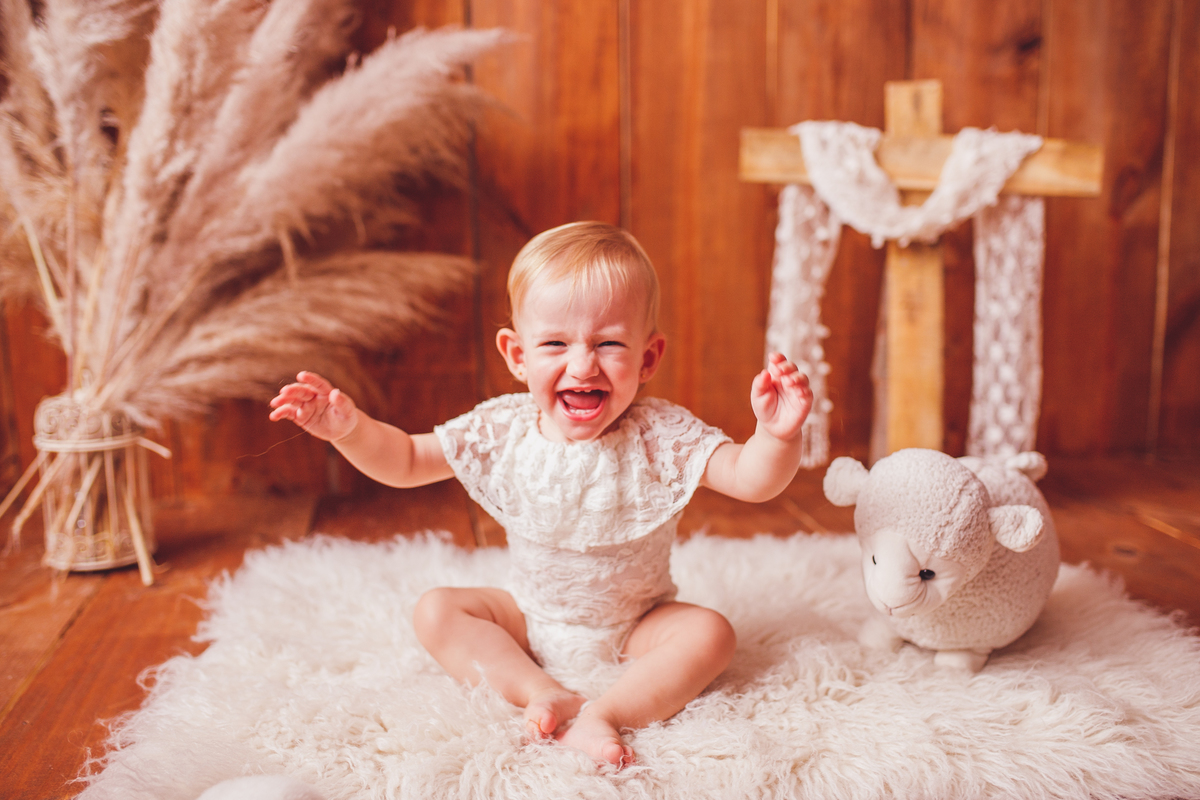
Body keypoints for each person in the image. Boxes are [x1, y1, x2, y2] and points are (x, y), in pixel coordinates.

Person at [269, 221, 813, 767]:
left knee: (711, 633)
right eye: (555, 343)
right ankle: (537, 690)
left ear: (648, 359)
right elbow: (407, 461)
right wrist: (349, 429)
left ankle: (610, 712)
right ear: (517, 355)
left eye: (609, 343)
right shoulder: (503, 429)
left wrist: (776, 434)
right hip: (529, 617)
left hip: (639, 624)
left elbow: (751, 479)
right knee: (436, 611)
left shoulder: (661, 435)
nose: (582, 365)